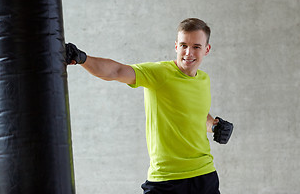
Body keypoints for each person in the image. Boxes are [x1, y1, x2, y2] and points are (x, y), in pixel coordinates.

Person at [66, 18, 233, 194]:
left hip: (204, 176)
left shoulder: (204, 79)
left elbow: (196, 114)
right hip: (166, 180)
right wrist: (83, 59)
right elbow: (116, 71)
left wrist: (214, 125)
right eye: (184, 45)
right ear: (176, 46)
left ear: (206, 49)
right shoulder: (159, 74)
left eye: (196, 47)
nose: (188, 52)